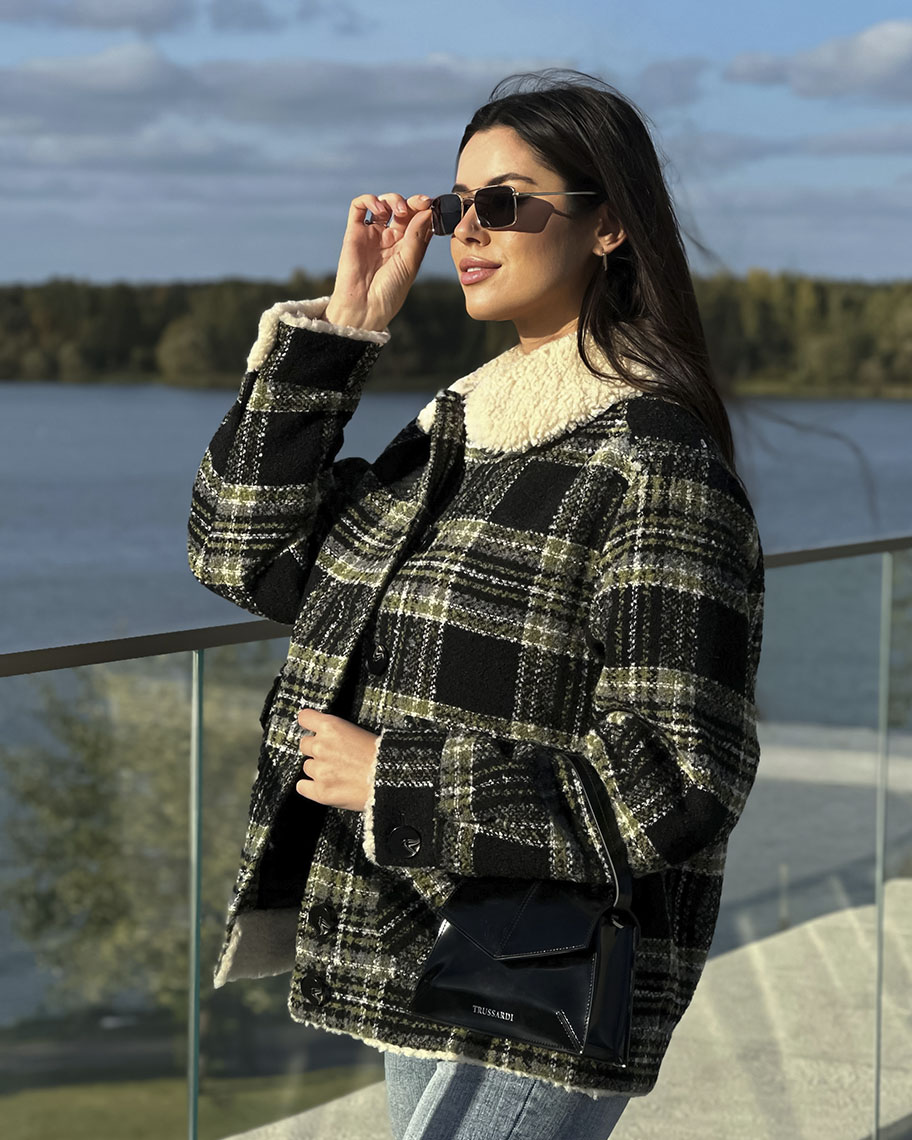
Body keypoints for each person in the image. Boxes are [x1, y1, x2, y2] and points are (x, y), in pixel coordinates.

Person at [188, 69, 764, 1140]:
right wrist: (342, 329)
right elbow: (242, 552)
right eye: (459, 203)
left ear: (609, 228)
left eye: (505, 201)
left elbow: (683, 773)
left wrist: (393, 777)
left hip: (547, 965)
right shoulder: (453, 438)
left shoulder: (655, 463)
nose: (469, 230)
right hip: (413, 936)